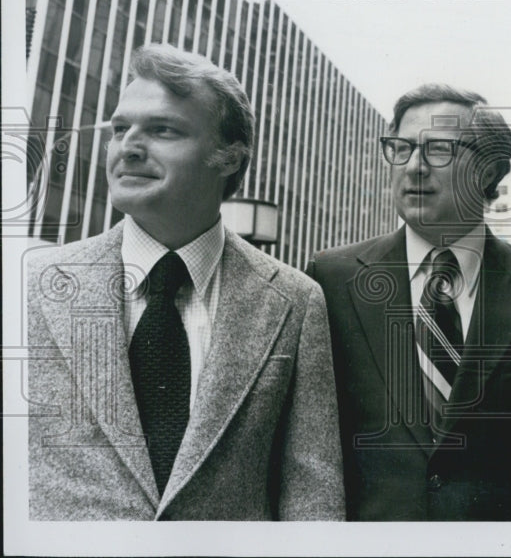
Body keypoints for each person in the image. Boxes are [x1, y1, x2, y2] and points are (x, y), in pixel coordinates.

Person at [27, 44, 345, 520]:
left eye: (162, 130)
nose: (129, 147)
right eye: (119, 129)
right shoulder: (32, 283)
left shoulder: (295, 301)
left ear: (228, 157)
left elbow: (311, 489)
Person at [308, 84, 511, 520]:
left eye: (440, 150)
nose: (415, 167)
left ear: (490, 171)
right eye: (401, 148)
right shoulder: (331, 279)